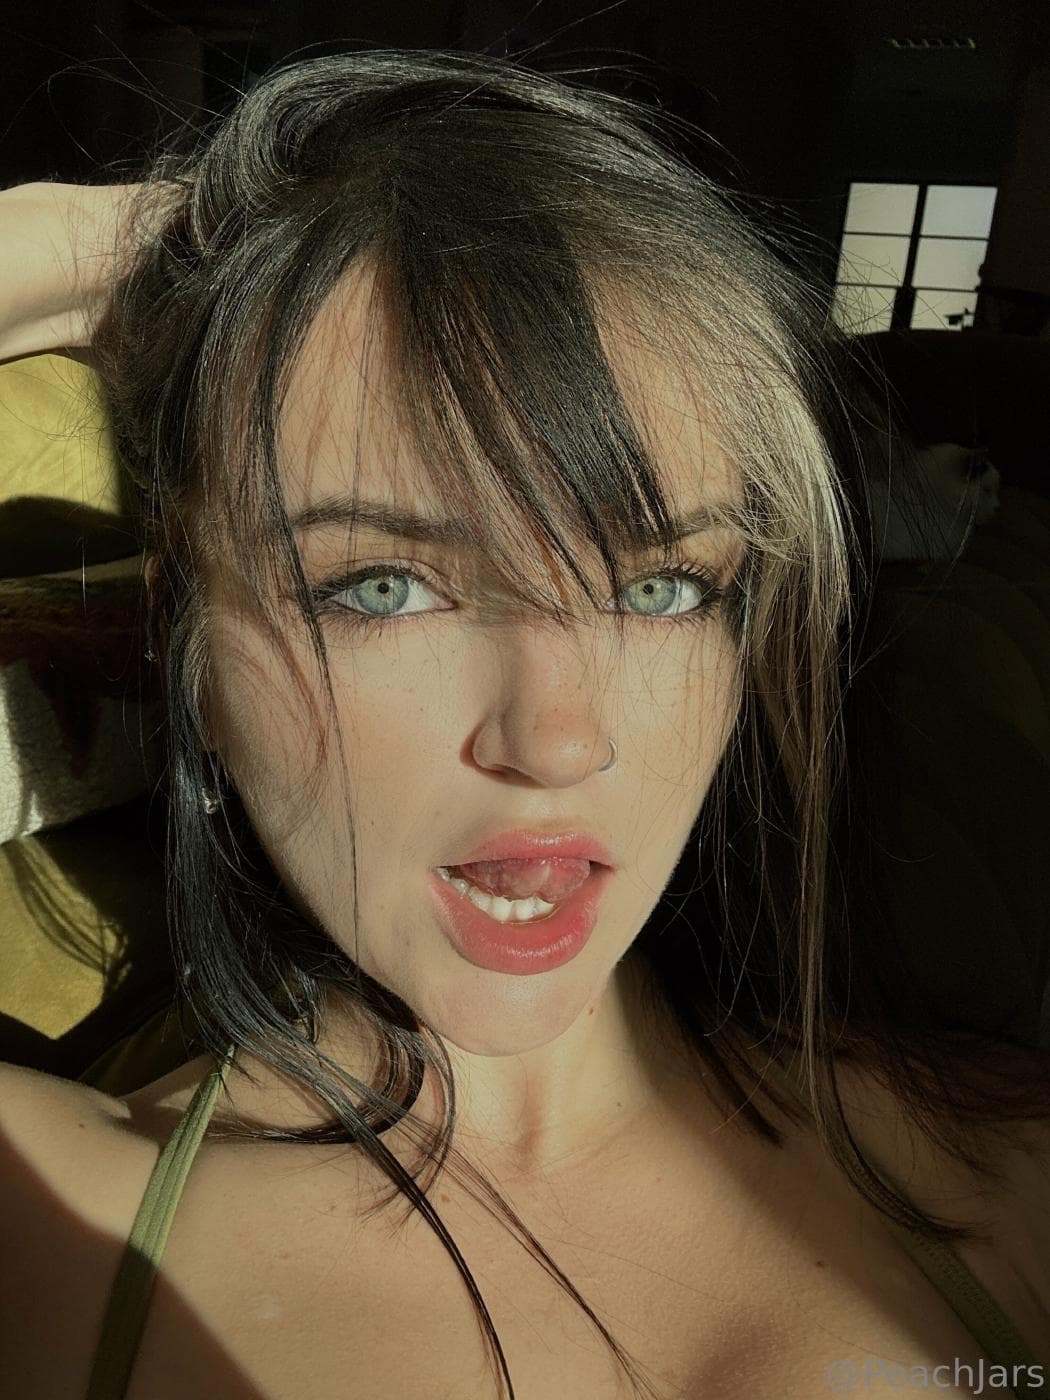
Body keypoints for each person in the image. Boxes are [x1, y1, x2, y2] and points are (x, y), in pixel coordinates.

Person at [1, 48, 1047, 1400]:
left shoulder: (1016, 1175)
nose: (557, 745)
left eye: (663, 588)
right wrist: (189, 239)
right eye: (383, 587)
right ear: (186, 648)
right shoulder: (45, 1225)